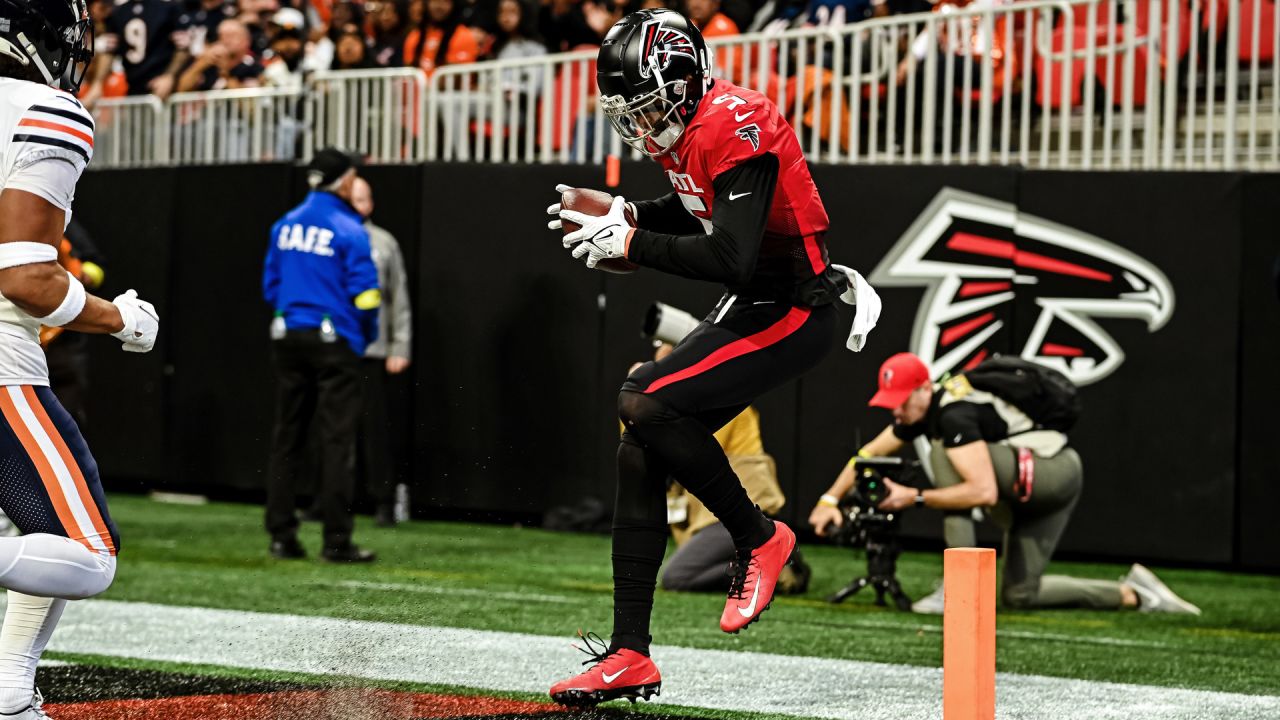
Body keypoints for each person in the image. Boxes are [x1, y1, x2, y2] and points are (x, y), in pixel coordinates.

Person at [545, 9, 849, 706]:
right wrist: (629, 213)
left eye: (650, 106)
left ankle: (758, 536)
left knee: (645, 399)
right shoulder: (690, 127)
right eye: (633, 112)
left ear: (684, 80)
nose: (644, 124)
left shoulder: (736, 119)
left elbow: (735, 257)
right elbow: (695, 207)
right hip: (756, 305)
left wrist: (630, 244)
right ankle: (628, 654)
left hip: (794, 307)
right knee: (639, 441)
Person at [0, 0, 161, 714]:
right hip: (4, 367)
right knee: (86, 553)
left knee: (26, 527)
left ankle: (8, 691)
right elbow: (27, 276)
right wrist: (120, 319)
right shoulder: (44, 108)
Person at [809, 352, 1202, 616]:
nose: (896, 409)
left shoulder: (953, 414)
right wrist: (829, 499)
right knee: (1020, 595)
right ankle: (1134, 594)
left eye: (903, 400)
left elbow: (982, 492)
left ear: (926, 389)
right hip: (1045, 483)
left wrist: (914, 497)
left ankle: (956, 590)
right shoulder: (926, 411)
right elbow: (868, 455)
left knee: (947, 454)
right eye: (891, 401)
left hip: (1052, 473)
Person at [262, 148, 381, 564]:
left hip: (288, 335)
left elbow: (270, 285)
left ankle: (281, 536)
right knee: (336, 441)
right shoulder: (349, 229)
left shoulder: (285, 224)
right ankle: (336, 541)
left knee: (287, 437)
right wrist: (364, 337)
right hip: (335, 341)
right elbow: (366, 295)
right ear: (346, 181)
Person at [348, 177, 411, 527]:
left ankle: (383, 499)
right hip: (337, 347)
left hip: (373, 348)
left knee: (376, 431)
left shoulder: (384, 243)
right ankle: (331, 499)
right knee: (334, 429)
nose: (356, 205)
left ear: (370, 204)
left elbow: (398, 299)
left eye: (361, 199)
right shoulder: (333, 238)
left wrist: (399, 345)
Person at [88, 0, 191, 99]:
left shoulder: (169, 7)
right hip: (133, 86)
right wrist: (97, 83)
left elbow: (183, 48)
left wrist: (169, 76)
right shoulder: (118, 12)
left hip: (163, 88)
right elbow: (109, 50)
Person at [177, 18, 263, 92]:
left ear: (246, 41)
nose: (226, 40)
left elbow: (247, 105)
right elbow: (182, 88)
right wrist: (201, 64)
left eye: (231, 36)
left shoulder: (253, 66)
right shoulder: (210, 64)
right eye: (222, 36)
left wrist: (225, 73)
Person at [402, 0, 478, 75]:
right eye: (434, 1)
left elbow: (457, 76)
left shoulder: (463, 36)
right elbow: (409, 73)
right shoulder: (414, 36)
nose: (438, 6)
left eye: (445, 1)